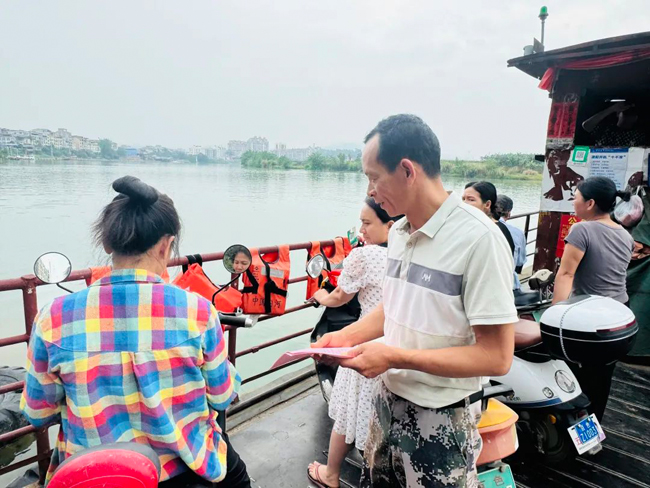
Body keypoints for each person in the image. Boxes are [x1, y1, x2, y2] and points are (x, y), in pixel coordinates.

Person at [313, 114, 517, 487]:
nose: (370, 191)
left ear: (408, 170)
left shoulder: (479, 240)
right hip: (385, 401)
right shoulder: (400, 232)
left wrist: (395, 356)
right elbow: (394, 306)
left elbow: (496, 356)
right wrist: (345, 337)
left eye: (374, 177)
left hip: (442, 417)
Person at [20, 176, 251, 488]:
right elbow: (222, 397)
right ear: (166, 245)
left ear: (107, 243)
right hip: (184, 472)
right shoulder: (198, 312)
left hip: (94, 476)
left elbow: (37, 413)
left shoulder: (53, 318)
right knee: (238, 477)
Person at [307, 197, 401, 488]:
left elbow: (339, 296)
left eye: (367, 222)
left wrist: (320, 296)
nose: (362, 230)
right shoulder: (409, 254)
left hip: (365, 341)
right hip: (396, 344)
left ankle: (331, 474)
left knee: (349, 413)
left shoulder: (364, 255)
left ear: (390, 225)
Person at [552, 176, 635, 421]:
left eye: (576, 197)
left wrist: (555, 316)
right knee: (602, 375)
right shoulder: (625, 234)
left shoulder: (582, 229)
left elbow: (566, 274)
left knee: (572, 373)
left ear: (589, 203)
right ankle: (594, 424)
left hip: (589, 317)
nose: (573, 201)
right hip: (620, 314)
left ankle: (571, 426)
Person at [463, 181, 516, 255]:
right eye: (463, 199)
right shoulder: (471, 225)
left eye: (471, 199)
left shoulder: (494, 231)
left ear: (487, 204)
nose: (464, 204)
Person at [495, 195, 528, 291]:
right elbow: (520, 261)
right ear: (509, 213)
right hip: (509, 284)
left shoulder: (480, 227)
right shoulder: (517, 233)